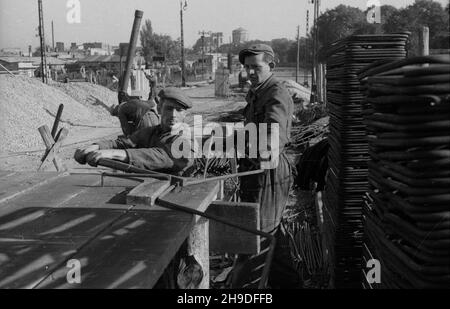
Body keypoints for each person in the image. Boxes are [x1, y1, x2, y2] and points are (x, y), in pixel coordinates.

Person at [231, 44, 298, 288]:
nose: (249, 72)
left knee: (256, 235)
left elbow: (273, 140)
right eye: (246, 67)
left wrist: (237, 141)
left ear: (271, 65)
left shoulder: (276, 93)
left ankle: (242, 290)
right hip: (255, 173)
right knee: (271, 238)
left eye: (255, 67)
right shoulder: (257, 92)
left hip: (269, 174)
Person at [74, 87, 194, 175]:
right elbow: (123, 143)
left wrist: (114, 153)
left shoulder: (187, 139)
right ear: (159, 109)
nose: (173, 115)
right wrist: (95, 147)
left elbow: (161, 156)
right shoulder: (150, 132)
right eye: (168, 109)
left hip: (179, 194)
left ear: (185, 114)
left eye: (179, 110)